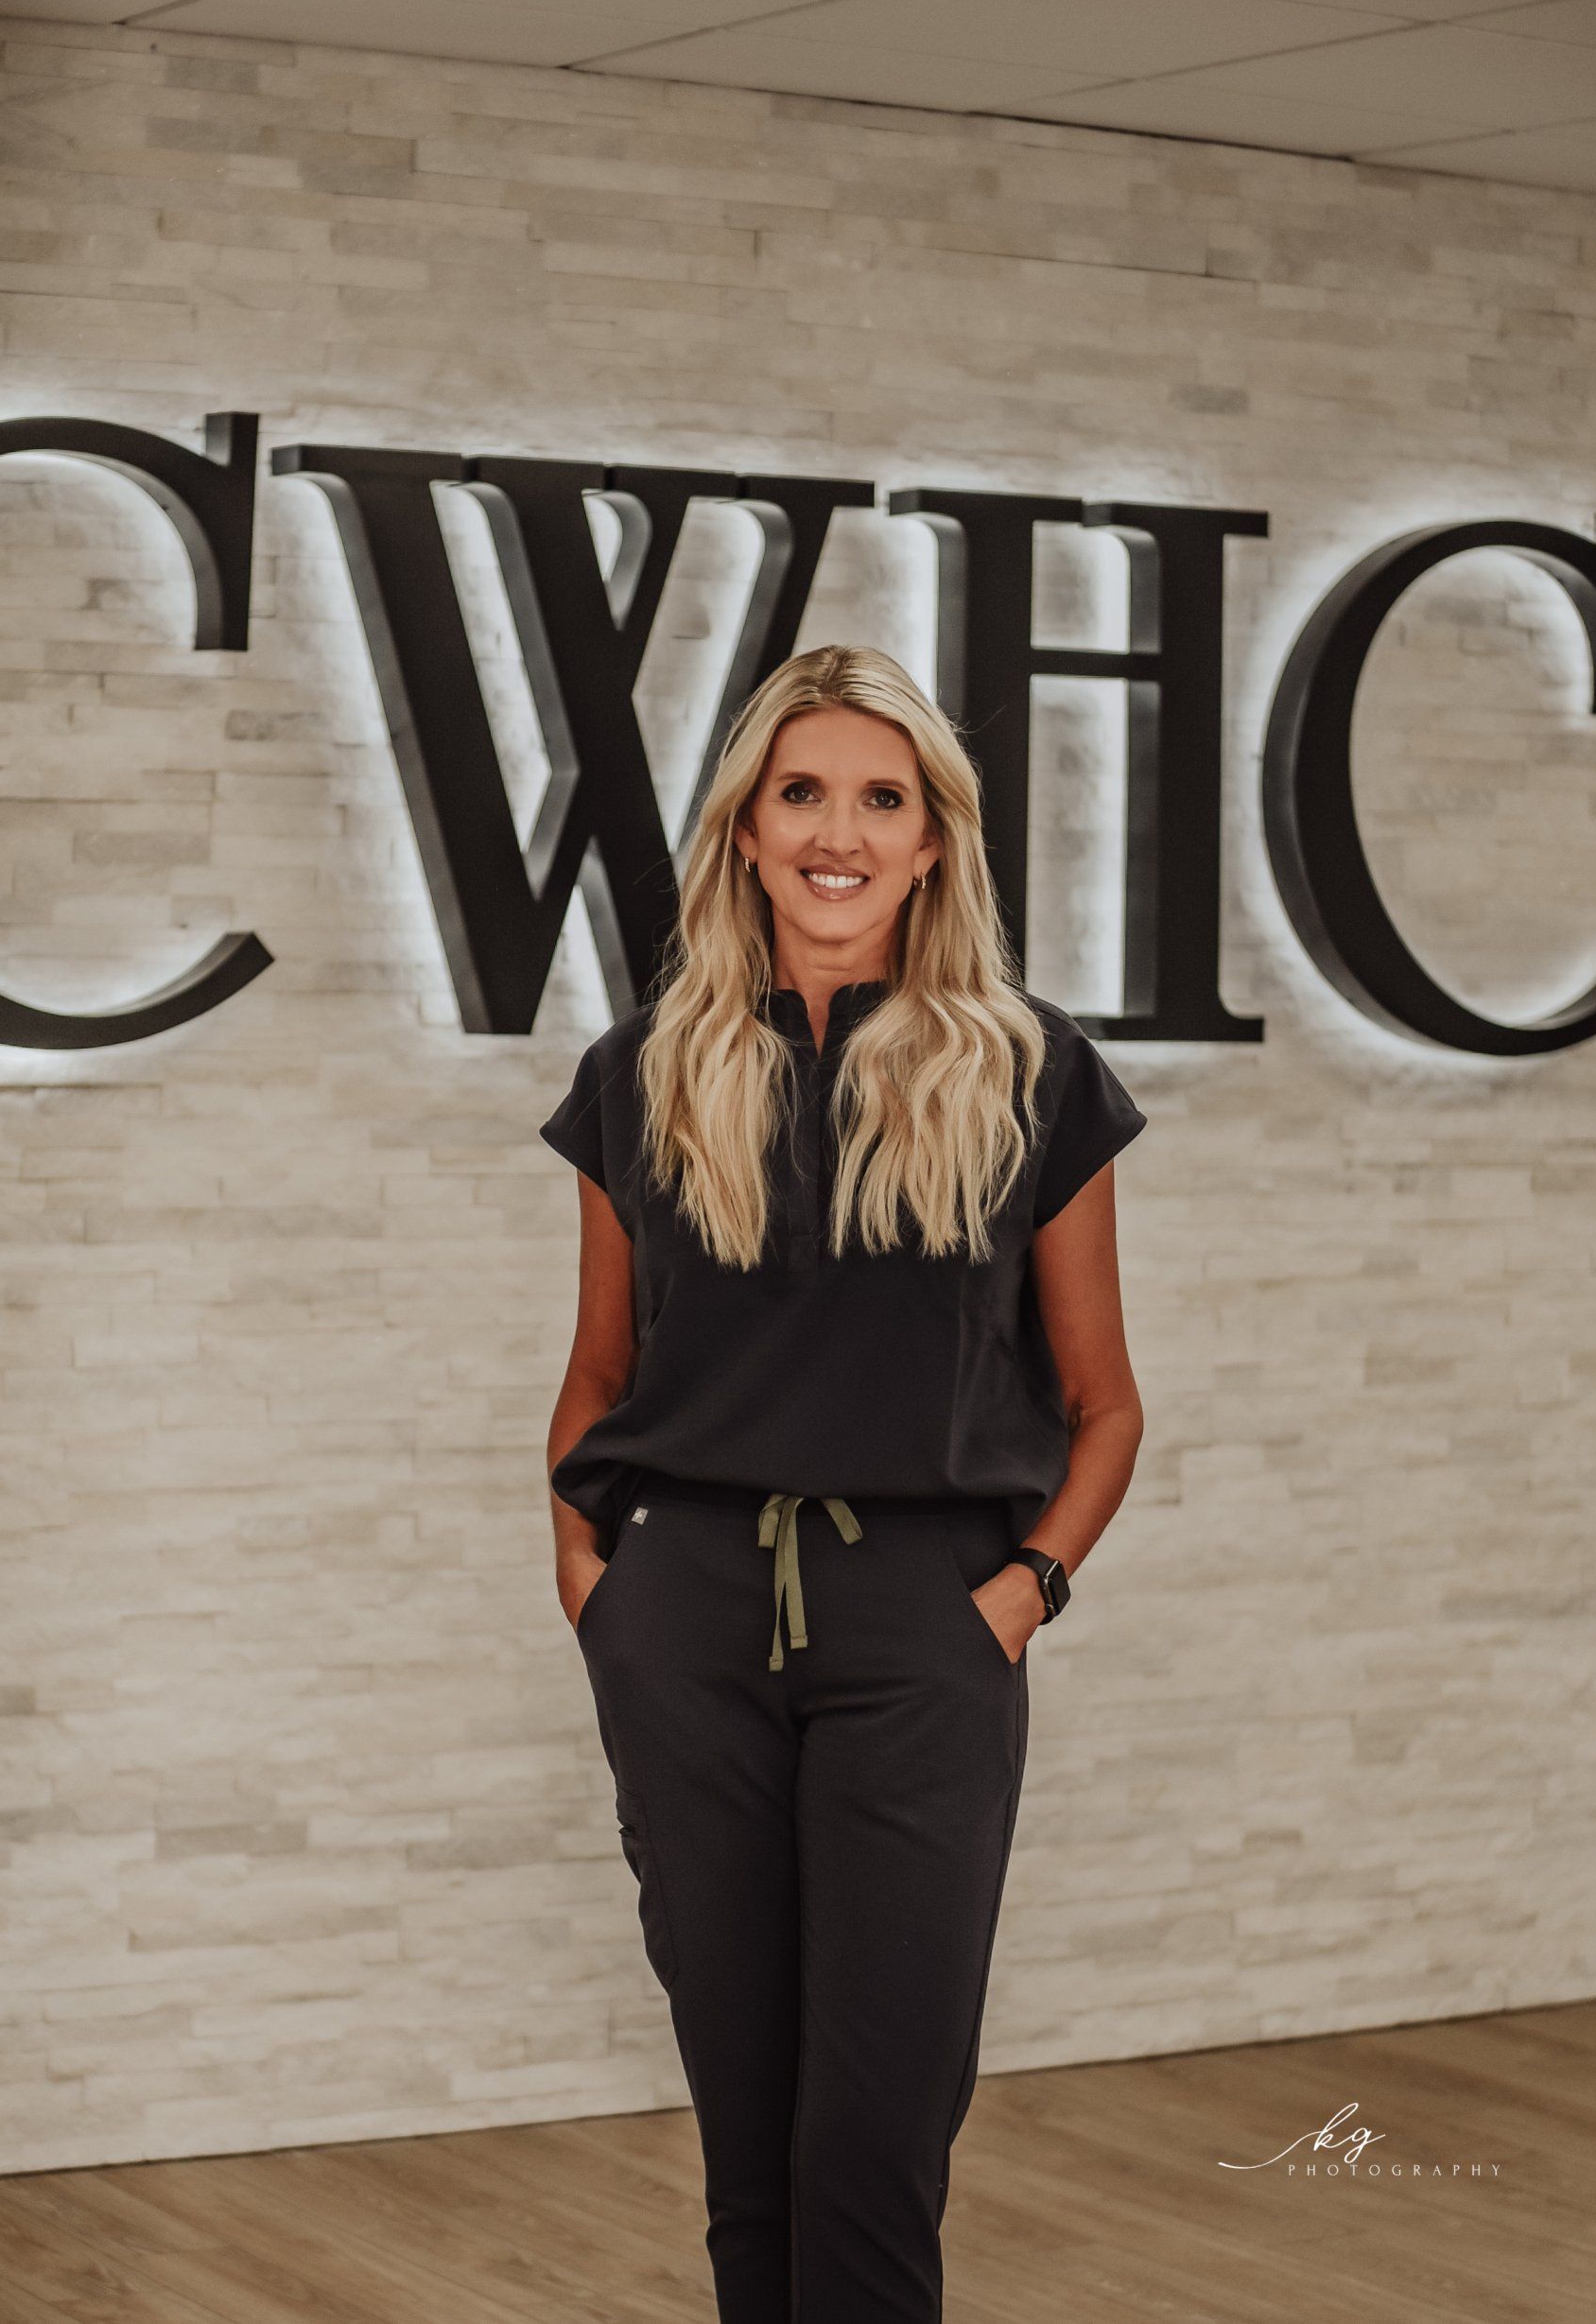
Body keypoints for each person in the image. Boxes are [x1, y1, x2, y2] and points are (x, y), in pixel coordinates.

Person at [539, 642, 1148, 2324]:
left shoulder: (1031, 1074)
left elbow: (1105, 1405)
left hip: (925, 1635)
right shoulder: (644, 1072)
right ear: (746, 829)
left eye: (883, 799)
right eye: (802, 792)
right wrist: (603, 1593)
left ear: (934, 841)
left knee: (874, 2143)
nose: (840, 831)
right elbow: (599, 1374)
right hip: (687, 1626)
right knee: (748, 2146)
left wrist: (1020, 1599)